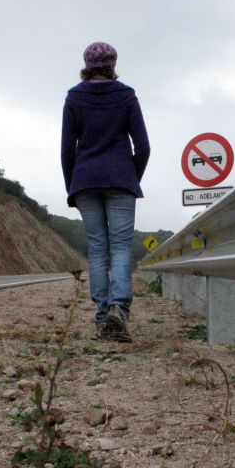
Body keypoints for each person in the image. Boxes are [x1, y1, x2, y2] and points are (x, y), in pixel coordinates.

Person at [61, 41, 150, 341]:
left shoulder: (74, 98)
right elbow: (143, 146)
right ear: (113, 63)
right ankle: (119, 309)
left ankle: (102, 319)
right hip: (121, 179)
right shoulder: (126, 96)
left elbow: (66, 150)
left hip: (85, 180)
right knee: (122, 247)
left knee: (98, 249)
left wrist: (72, 186)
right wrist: (130, 177)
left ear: (86, 64)